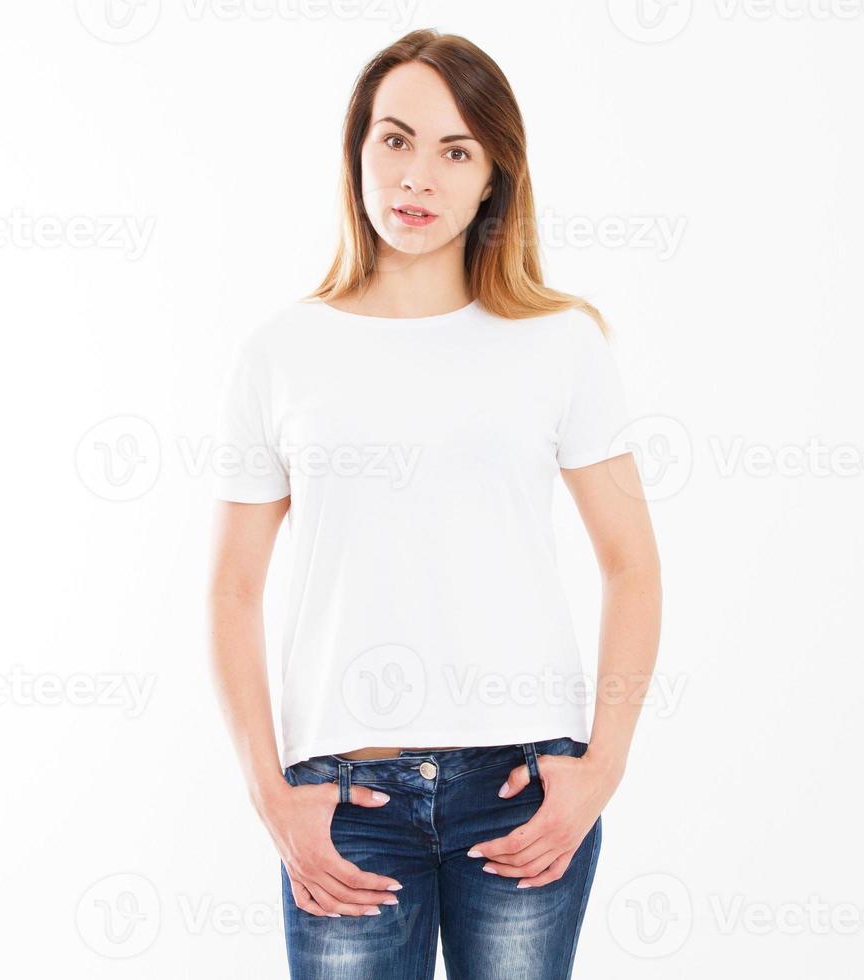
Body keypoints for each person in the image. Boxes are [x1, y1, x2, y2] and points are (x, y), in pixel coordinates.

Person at [206, 28, 662, 980]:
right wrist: (270, 794)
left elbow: (631, 563)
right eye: (397, 139)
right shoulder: (281, 353)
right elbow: (232, 591)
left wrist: (601, 769)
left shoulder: (561, 344)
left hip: (523, 793)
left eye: (456, 151)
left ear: (494, 175)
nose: (419, 175)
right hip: (345, 802)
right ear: (357, 152)